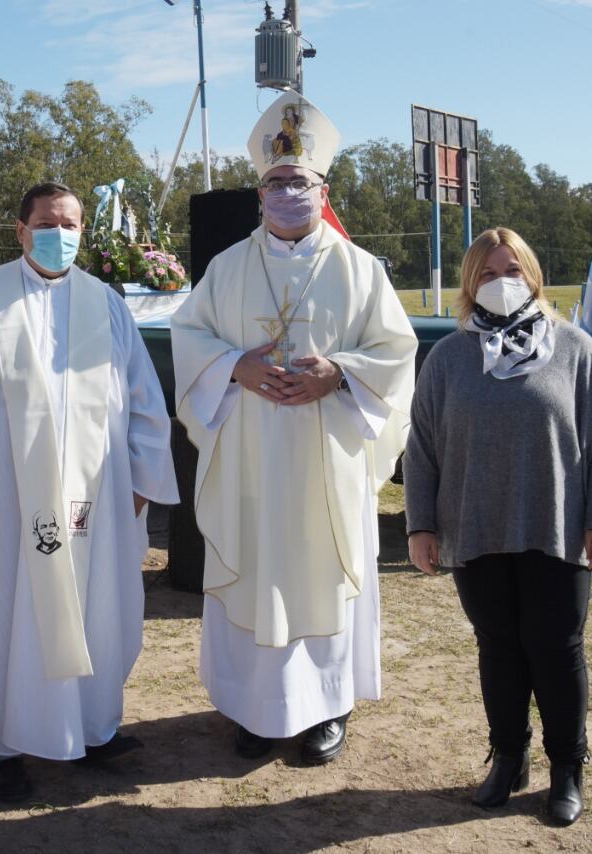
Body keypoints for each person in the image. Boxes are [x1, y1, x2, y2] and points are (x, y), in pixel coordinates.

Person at [0, 182, 178, 802]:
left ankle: (91, 726)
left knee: (96, 605)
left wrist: (141, 477)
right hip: (4, 500)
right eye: (49, 223)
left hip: (95, 497)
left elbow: (141, 398)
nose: (63, 234)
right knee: (5, 608)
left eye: (73, 224)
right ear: (21, 229)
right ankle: (2, 742)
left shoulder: (104, 303)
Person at [171, 93, 417, 766]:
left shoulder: (360, 270)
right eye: (276, 182)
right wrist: (234, 368)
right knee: (255, 567)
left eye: (299, 182)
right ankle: (254, 709)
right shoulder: (226, 269)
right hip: (249, 456)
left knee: (321, 570)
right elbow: (188, 338)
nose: (287, 192)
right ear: (259, 193)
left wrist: (336, 374)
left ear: (323, 189)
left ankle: (328, 707)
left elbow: (396, 355)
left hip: (325, 460)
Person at [403, 227, 592, 826]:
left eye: (512, 270)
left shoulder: (576, 349)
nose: (501, 283)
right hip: (474, 529)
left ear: (532, 275)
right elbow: (421, 447)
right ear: (469, 284)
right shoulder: (449, 358)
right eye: (487, 273)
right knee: (498, 648)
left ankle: (567, 766)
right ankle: (508, 755)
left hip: (557, 529)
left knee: (556, 650)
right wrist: (420, 525)